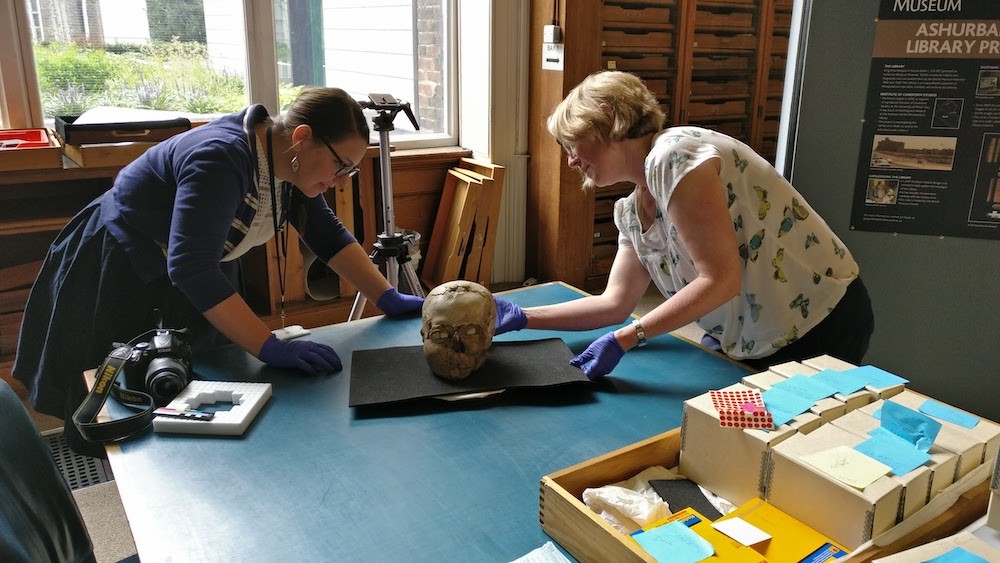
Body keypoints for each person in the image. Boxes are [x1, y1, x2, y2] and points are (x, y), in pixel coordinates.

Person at [14, 87, 423, 457]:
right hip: (123, 261)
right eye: (339, 166)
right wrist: (269, 347)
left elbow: (327, 235)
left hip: (194, 265)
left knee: (199, 389)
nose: (337, 182)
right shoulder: (221, 157)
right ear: (301, 138)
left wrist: (386, 296)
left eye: (348, 172)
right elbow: (190, 267)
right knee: (131, 395)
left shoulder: (288, 163)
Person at [494, 71, 873, 379]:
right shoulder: (631, 212)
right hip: (744, 335)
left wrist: (629, 337)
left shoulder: (674, 155)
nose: (571, 161)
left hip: (818, 321)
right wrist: (523, 317)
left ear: (607, 118)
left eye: (570, 143)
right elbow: (614, 304)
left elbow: (720, 279)